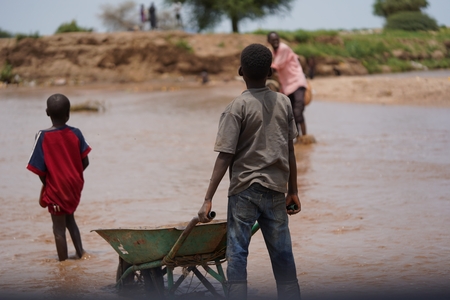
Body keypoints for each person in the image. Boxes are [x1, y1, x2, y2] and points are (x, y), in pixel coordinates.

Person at [198, 44, 302, 300]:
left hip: (244, 191)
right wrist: (294, 191)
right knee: (283, 256)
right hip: (276, 190)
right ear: (270, 71)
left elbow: (225, 156)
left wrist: (208, 198)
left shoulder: (237, 107)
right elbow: (290, 151)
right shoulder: (284, 103)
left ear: (240, 71)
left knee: (237, 255)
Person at [27, 93, 91, 261]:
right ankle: (80, 253)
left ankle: (63, 266)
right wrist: (72, 176)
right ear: (68, 113)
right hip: (74, 186)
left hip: (56, 188)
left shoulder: (42, 136)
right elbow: (85, 161)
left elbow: (40, 170)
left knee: (58, 229)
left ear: (47, 113)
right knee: (70, 218)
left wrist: (50, 185)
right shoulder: (76, 133)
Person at [268, 31, 308, 137]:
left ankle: (304, 137)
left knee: (298, 112)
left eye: (277, 39)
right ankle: (297, 138)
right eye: (273, 40)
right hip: (287, 85)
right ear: (269, 42)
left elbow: (276, 65)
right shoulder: (274, 52)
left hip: (297, 81)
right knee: (290, 114)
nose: (276, 42)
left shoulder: (283, 48)